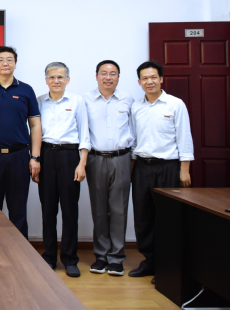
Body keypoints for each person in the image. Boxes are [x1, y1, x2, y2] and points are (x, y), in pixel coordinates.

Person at [129, 61, 193, 281]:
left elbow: (184, 137)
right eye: (145, 78)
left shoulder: (175, 104)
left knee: (167, 217)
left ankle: (168, 267)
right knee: (143, 217)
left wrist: (184, 170)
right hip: (141, 167)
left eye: (153, 77)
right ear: (139, 82)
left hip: (168, 167)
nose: (150, 81)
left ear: (161, 79)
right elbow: (133, 139)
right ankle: (150, 262)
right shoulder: (136, 107)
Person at [0, 46, 42, 238]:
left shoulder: (26, 90)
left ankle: (20, 252)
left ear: (15, 64)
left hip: (19, 156)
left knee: (18, 208)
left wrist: (35, 157)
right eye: (1, 60)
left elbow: (35, 125)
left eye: (10, 59)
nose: (5, 63)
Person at [37, 62, 90, 277]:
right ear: (46, 80)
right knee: (48, 209)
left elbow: (84, 133)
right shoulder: (39, 101)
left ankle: (70, 258)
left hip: (70, 156)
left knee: (69, 209)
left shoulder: (77, 101)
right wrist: (35, 159)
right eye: (52, 77)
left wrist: (82, 163)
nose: (56, 81)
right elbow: (34, 132)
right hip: (46, 155)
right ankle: (49, 256)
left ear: (67, 80)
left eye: (60, 77)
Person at [84, 60, 134, 276]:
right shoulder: (86, 100)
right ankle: (101, 256)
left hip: (121, 158)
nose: (108, 77)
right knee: (99, 209)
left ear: (118, 77)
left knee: (119, 209)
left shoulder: (128, 100)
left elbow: (135, 130)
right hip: (95, 158)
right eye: (103, 73)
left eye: (113, 73)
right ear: (97, 76)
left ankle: (116, 257)